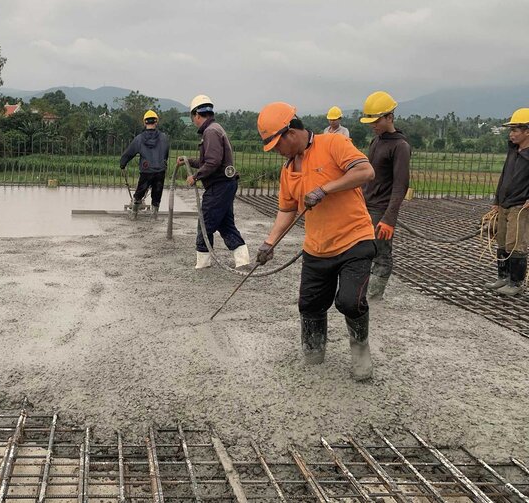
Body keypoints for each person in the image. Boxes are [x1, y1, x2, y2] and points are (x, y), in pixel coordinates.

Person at [256, 102, 376, 381]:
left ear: (291, 133)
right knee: (309, 305)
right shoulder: (288, 170)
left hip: (354, 240)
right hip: (316, 248)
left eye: (276, 144)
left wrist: (325, 189)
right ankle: (313, 355)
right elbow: (287, 210)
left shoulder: (333, 143)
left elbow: (365, 172)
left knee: (350, 302)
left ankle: (360, 354)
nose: (275, 151)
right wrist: (269, 243)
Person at [176, 94, 250, 269]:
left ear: (197, 115)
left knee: (204, 223)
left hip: (219, 186)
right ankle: (243, 260)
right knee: (225, 224)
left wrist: (195, 176)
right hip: (225, 184)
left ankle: (202, 264)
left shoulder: (210, 132)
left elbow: (213, 162)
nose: (193, 120)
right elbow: (210, 160)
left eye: (192, 117)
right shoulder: (216, 129)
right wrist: (189, 161)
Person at [359, 91, 411, 300]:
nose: (373, 125)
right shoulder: (376, 141)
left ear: (389, 117)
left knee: (381, 252)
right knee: (363, 248)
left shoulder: (400, 146)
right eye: (370, 121)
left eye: (376, 120)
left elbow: (401, 186)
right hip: (366, 204)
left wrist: (389, 219)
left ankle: (374, 294)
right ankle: (363, 288)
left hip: (381, 209)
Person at [485, 108, 529, 296]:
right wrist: (496, 200)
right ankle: (503, 277)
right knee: (502, 240)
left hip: (520, 205)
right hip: (504, 203)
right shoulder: (513, 151)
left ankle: (516, 282)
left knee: (515, 243)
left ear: (527, 131)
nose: (511, 134)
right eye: (510, 130)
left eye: (515, 130)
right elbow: (504, 176)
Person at [119, 110, 170, 220]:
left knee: (140, 192)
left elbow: (129, 153)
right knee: (157, 193)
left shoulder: (139, 139)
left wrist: (122, 163)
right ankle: (154, 216)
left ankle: (134, 214)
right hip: (160, 170)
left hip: (146, 171)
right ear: (156, 122)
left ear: (144, 122)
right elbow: (166, 154)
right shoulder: (164, 138)